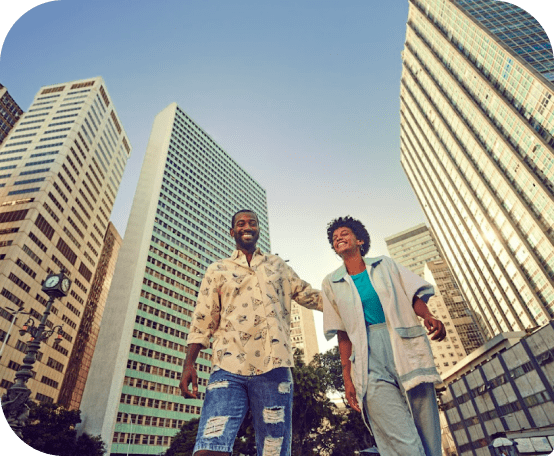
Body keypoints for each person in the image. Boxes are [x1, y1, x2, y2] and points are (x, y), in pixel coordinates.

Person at [179, 209, 322, 456]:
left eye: (252, 223)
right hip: (227, 367)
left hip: (274, 367)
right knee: (209, 448)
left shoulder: (277, 266)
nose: (247, 226)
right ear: (232, 232)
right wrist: (188, 364)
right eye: (241, 223)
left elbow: (309, 295)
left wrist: (353, 300)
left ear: (258, 230)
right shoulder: (218, 269)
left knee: (273, 450)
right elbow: (203, 318)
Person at [322, 216, 446, 456]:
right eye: (335, 238)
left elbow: (411, 295)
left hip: (403, 346)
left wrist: (428, 315)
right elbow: (342, 332)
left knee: (427, 428)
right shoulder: (331, 283)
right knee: (399, 437)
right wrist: (347, 377)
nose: (339, 238)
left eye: (344, 233)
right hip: (367, 360)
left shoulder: (385, 265)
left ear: (359, 240)